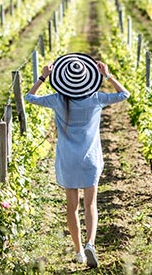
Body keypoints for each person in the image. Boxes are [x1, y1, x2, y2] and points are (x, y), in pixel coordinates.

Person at [25, 52, 130, 268]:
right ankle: (91, 243)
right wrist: (108, 76)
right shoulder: (96, 99)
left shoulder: (57, 100)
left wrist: (43, 77)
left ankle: (79, 251)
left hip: (68, 159)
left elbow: (29, 97)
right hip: (90, 159)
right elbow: (124, 95)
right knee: (90, 204)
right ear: (88, 78)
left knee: (71, 207)